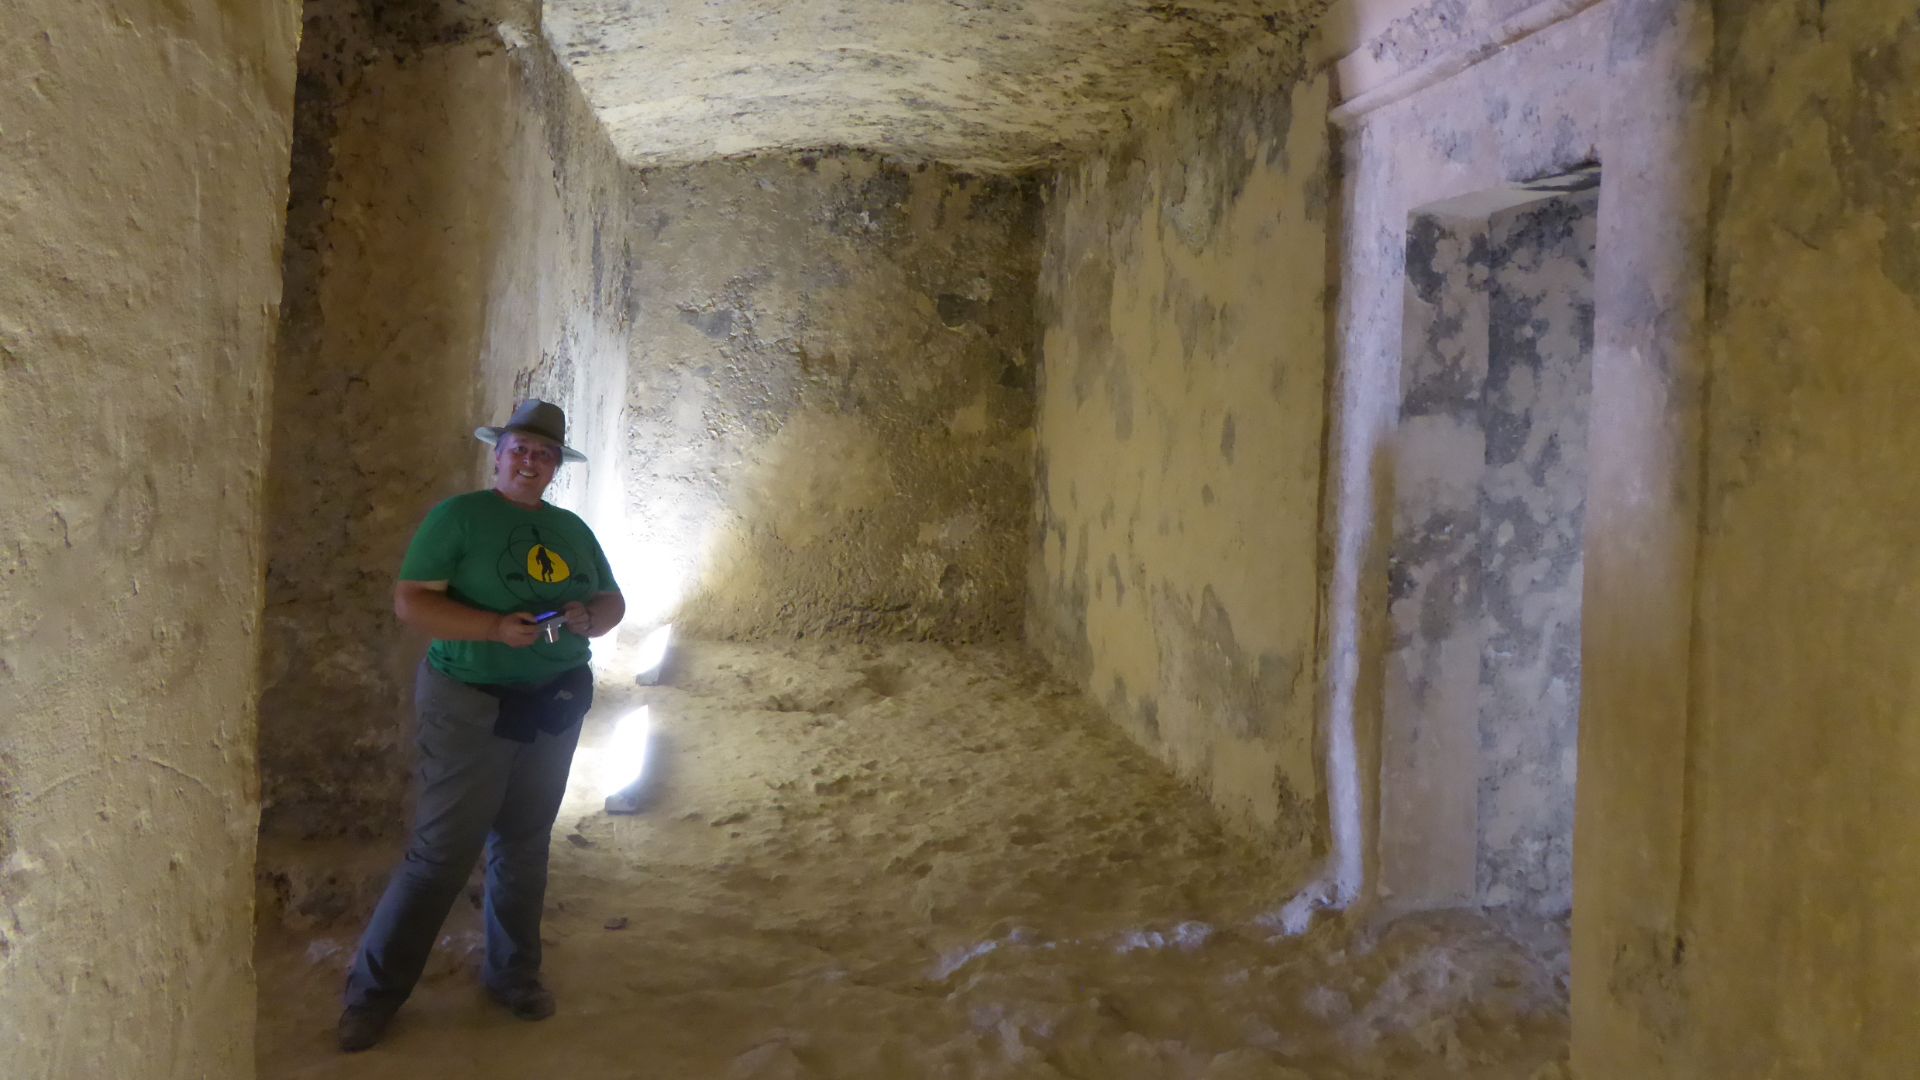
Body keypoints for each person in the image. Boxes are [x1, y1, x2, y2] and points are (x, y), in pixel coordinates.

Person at [336, 399, 626, 1052]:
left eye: (544, 453)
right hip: (470, 700)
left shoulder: (571, 530)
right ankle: (373, 993)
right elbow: (412, 601)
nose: (530, 461)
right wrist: (493, 629)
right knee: (441, 851)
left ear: (555, 467)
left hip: (552, 703)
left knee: (524, 842)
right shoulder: (460, 518)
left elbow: (612, 600)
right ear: (498, 456)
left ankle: (514, 975)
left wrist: (590, 618)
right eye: (520, 449)